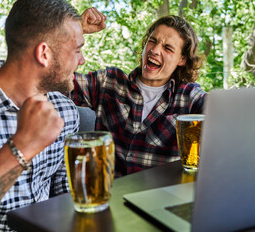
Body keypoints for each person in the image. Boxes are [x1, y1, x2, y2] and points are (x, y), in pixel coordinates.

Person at [0, 1, 105, 232]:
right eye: (78, 50)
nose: (82, 61)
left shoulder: (64, 111)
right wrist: (21, 147)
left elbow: (66, 198)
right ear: (44, 54)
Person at [71, 15, 207, 177]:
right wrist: (75, 28)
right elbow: (55, 78)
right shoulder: (109, 82)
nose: (155, 50)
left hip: (160, 195)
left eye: (168, 48)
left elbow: (227, 122)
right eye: (152, 41)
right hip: (109, 193)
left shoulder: (190, 97)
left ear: (182, 59)